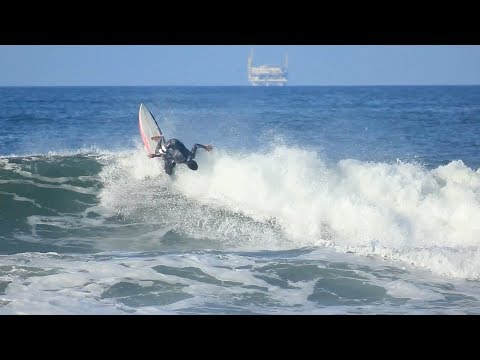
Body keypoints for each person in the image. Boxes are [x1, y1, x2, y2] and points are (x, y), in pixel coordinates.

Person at [148, 135, 213, 175]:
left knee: (171, 160)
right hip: (171, 143)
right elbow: (165, 155)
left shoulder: (192, 155)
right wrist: (154, 155)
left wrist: (205, 147)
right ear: (188, 167)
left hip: (178, 142)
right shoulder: (179, 160)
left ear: (194, 161)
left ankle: (165, 149)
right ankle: (160, 138)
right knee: (158, 152)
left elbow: (195, 145)